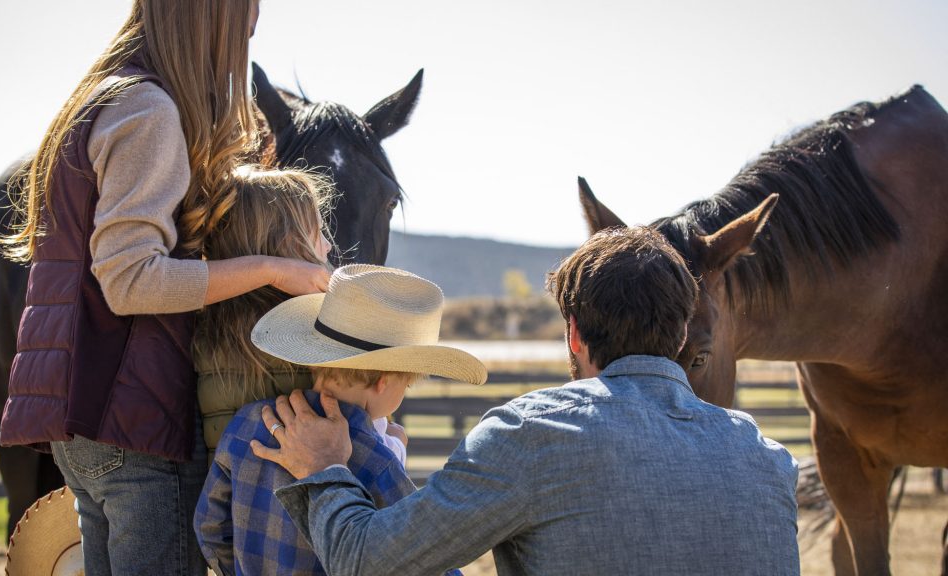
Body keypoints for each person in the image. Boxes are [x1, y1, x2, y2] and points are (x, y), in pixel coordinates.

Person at [0, 2, 331, 574]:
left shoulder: (99, 100)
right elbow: (130, 281)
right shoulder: (149, 110)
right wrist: (272, 268)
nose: (245, 39)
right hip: (134, 419)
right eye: (241, 23)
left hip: (84, 416)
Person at [255, 228, 801, 576]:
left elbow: (367, 564)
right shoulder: (768, 460)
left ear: (573, 336)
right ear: (681, 336)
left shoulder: (533, 436)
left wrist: (324, 467)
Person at [194, 264, 485, 576]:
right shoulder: (376, 456)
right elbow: (421, 558)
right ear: (383, 381)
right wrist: (395, 456)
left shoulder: (249, 421)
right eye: (407, 384)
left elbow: (209, 526)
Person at [194, 167, 335, 456]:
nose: (328, 245)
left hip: (226, 495)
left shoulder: (205, 327)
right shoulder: (312, 331)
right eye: (318, 233)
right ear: (289, 243)